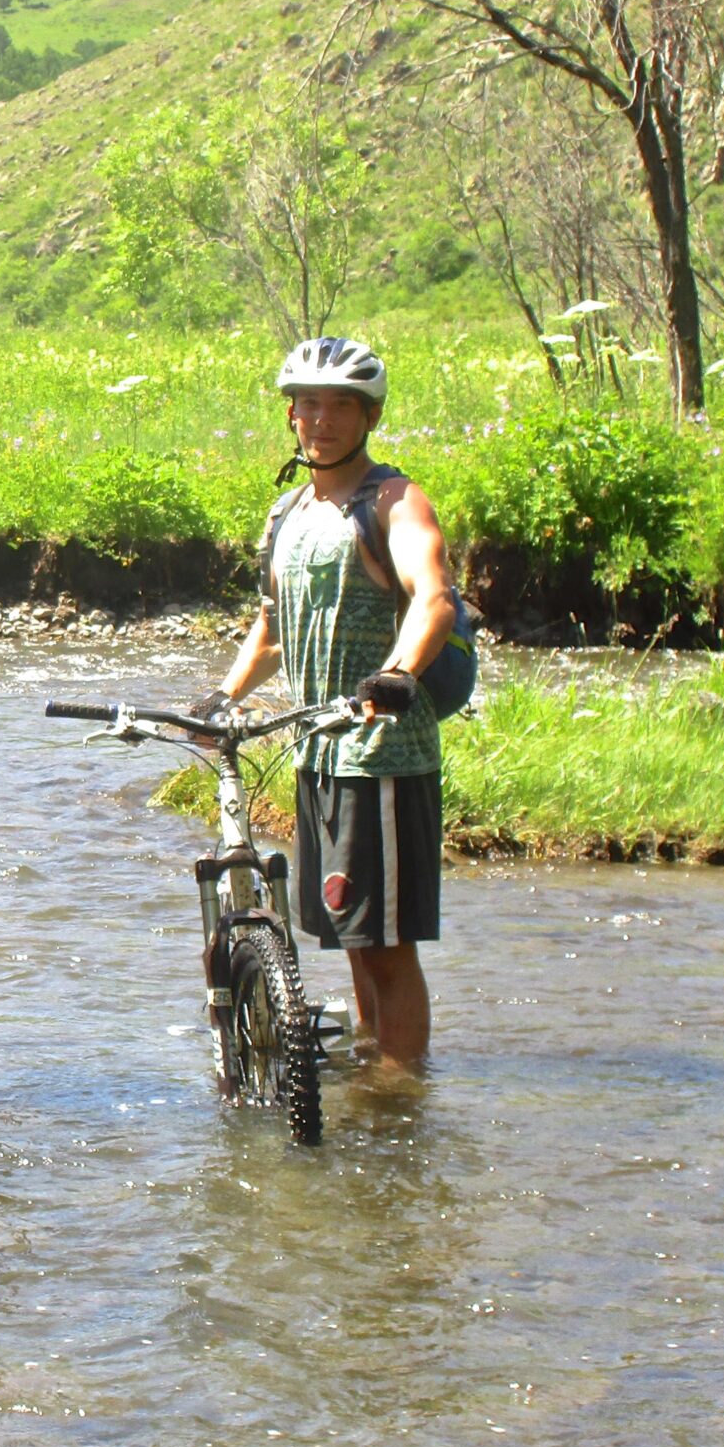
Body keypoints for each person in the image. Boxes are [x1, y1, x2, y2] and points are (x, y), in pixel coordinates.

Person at [203, 336, 456, 1071]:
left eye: (341, 405)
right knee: (349, 937)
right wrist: (222, 693)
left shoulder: (395, 501)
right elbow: (271, 628)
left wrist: (399, 673)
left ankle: (401, 1095)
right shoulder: (287, 513)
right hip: (314, 753)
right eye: (310, 404)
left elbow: (433, 598)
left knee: (385, 948)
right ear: (290, 414)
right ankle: (376, 1069)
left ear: (368, 416)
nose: (323, 419)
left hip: (380, 755)